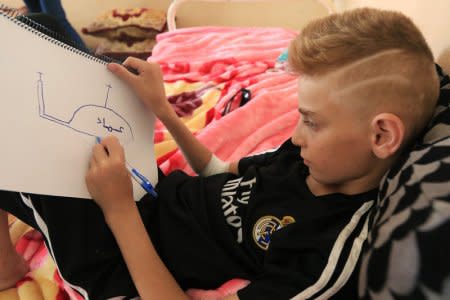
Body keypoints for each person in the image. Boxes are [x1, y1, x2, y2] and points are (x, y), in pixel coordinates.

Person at [0, 7, 440, 300]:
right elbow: (216, 173)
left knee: (9, 138)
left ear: (382, 135)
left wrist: (118, 211)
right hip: (144, 196)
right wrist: (162, 110)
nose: (297, 133)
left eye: (312, 120)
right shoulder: (308, 158)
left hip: (115, 258)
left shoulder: (328, 249)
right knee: (43, 28)